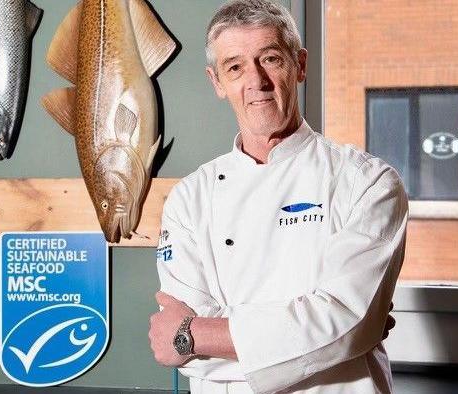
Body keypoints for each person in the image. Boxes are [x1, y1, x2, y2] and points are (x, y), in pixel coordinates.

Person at [147, 0, 408, 393]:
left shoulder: (368, 183)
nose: (256, 81)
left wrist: (193, 334)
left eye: (270, 59)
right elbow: (196, 365)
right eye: (234, 67)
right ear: (217, 82)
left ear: (300, 65)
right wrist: (325, 339)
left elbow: (348, 324)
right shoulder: (189, 199)